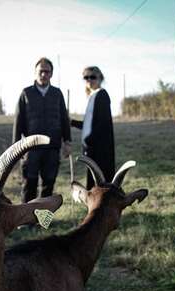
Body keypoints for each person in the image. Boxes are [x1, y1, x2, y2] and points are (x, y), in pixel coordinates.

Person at [13, 57, 72, 203]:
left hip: (52, 148)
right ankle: (26, 221)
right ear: (35, 73)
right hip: (31, 149)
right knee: (29, 184)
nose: (44, 74)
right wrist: (15, 148)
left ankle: (43, 221)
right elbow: (18, 121)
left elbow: (64, 118)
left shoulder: (57, 94)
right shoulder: (26, 93)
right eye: (41, 71)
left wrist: (68, 141)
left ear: (51, 74)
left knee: (48, 185)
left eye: (47, 71)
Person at [71, 66, 115, 189]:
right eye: (86, 77)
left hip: (100, 150)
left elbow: (100, 126)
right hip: (91, 149)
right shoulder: (92, 96)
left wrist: (89, 142)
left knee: (99, 183)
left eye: (93, 77)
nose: (89, 80)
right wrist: (72, 122)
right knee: (93, 182)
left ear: (100, 78)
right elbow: (88, 124)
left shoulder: (102, 95)